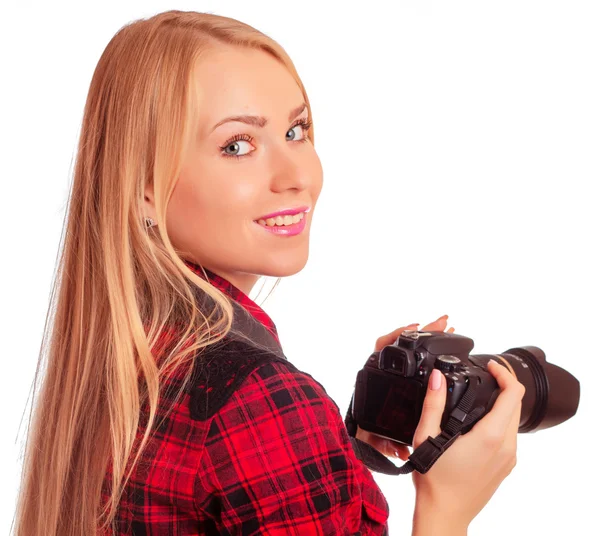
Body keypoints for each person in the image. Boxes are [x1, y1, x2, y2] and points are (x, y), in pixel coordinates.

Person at [12, 10, 525, 536]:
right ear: (144, 187)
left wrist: (337, 448)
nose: (299, 175)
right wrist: (447, 510)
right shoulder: (261, 401)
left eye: (296, 130)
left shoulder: (117, 362)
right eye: (237, 145)